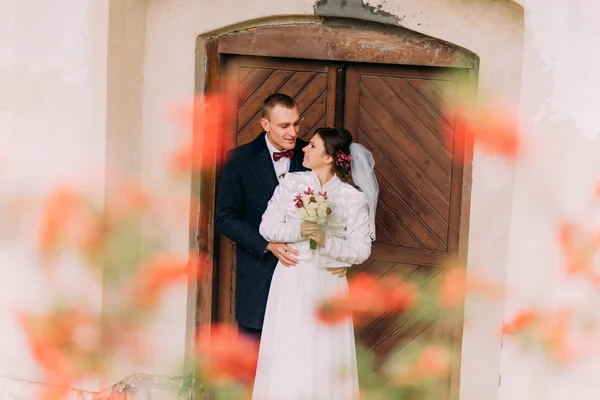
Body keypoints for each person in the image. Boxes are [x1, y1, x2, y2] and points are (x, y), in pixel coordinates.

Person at [252, 127, 379, 400]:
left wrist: (326, 242)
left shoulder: (352, 197)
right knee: (288, 348)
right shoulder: (291, 183)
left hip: (328, 284)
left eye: (312, 146)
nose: (304, 149)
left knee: (324, 354)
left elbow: (361, 249)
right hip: (291, 277)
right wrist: (300, 231)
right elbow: (267, 227)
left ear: (329, 157)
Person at [215, 94, 348, 340]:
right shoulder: (238, 160)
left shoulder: (314, 154)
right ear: (265, 124)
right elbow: (225, 218)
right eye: (284, 125)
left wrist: (343, 255)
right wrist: (266, 244)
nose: (293, 132)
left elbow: (341, 207)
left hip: (306, 278)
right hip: (258, 276)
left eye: (296, 123)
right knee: (252, 358)